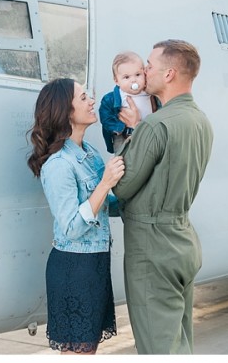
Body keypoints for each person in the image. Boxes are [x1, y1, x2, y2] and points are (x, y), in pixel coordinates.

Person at [113, 40, 214, 354]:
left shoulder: (155, 126)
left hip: (152, 249)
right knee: (178, 344)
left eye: (150, 65)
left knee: (159, 349)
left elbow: (123, 186)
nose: (144, 71)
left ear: (169, 74)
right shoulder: (201, 121)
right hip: (182, 241)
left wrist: (134, 134)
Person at [27, 78, 125, 354]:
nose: (92, 101)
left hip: (95, 263)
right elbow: (71, 226)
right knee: (77, 353)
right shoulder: (58, 165)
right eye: (83, 98)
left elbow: (104, 206)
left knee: (87, 350)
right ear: (65, 111)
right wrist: (106, 183)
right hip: (74, 269)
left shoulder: (89, 154)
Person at [99, 51, 160, 154]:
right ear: (117, 81)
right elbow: (105, 117)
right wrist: (119, 128)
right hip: (123, 136)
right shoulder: (112, 98)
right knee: (122, 157)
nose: (134, 80)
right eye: (126, 77)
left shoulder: (150, 92)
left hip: (147, 134)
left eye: (137, 74)